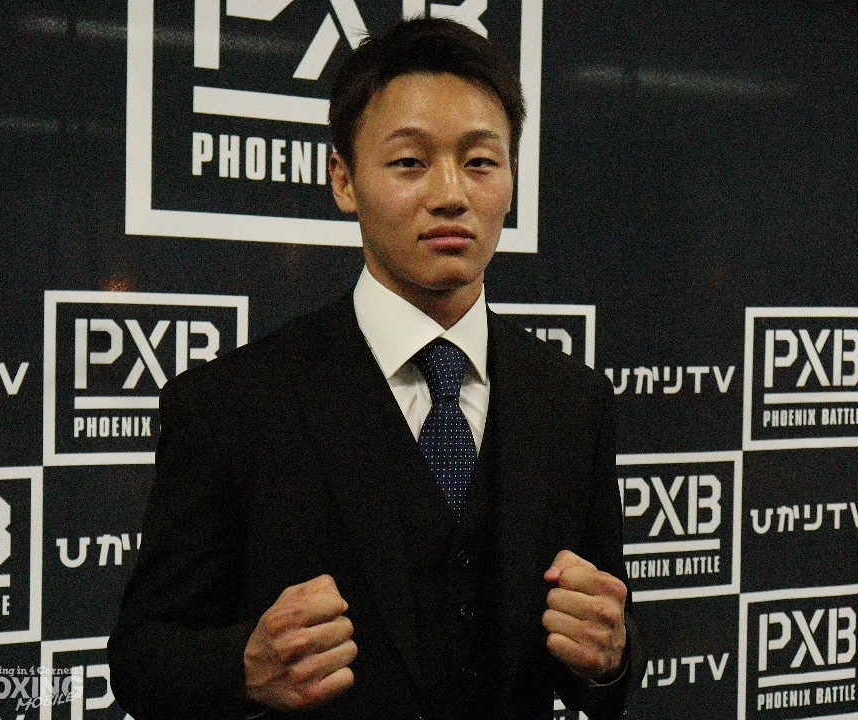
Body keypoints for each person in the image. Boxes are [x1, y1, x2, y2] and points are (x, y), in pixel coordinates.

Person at [109, 17, 643, 720]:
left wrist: (611, 658)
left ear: (513, 178)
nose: (450, 194)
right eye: (410, 162)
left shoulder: (573, 401)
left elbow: (603, 646)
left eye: (481, 162)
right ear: (344, 179)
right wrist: (244, 667)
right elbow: (142, 658)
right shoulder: (231, 405)